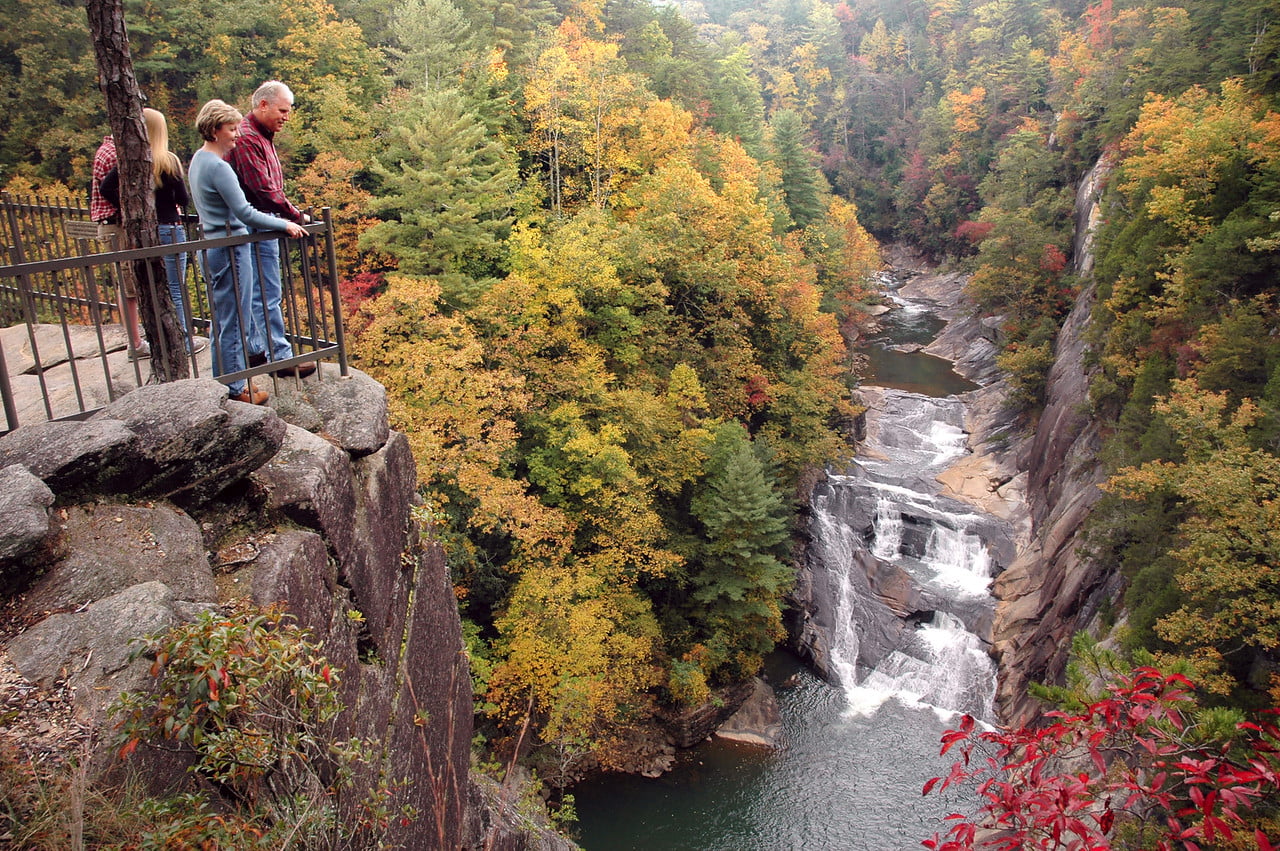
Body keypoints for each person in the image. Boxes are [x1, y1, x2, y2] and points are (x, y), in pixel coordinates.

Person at [187, 99, 305, 405]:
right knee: (234, 321)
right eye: (231, 128)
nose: (237, 134)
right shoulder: (218, 167)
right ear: (214, 131)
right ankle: (236, 388)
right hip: (231, 249)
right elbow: (245, 212)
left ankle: (226, 382)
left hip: (212, 246)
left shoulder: (198, 161)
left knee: (222, 319)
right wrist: (284, 223)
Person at [226, 80, 315, 378]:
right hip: (256, 224)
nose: (286, 117)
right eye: (282, 110)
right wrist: (294, 215)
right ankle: (280, 356)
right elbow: (262, 189)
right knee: (266, 293)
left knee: (256, 293)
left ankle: (257, 351)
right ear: (263, 105)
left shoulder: (260, 135)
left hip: (257, 222)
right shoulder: (249, 138)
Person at [100, 108, 207, 356]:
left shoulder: (131, 160)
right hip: (170, 228)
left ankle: (161, 339)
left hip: (146, 232)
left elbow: (106, 187)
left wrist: (129, 206)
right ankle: (183, 340)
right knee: (175, 288)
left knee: (152, 288)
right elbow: (182, 197)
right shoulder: (168, 161)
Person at [90, 134, 147, 360]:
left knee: (125, 286)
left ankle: (135, 340)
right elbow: (107, 188)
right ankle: (135, 344)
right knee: (128, 287)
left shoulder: (107, 148)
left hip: (109, 225)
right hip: (116, 225)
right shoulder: (117, 153)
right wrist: (128, 211)